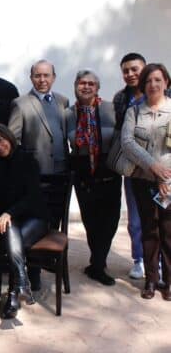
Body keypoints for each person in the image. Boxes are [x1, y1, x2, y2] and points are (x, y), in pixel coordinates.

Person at [8, 59, 69, 290]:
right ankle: (33, 272)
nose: (42, 80)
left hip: (60, 176)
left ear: (53, 77)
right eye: (37, 76)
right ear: (31, 78)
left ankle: (48, 263)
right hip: (35, 179)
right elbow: (13, 142)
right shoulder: (20, 104)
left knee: (53, 223)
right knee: (34, 223)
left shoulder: (63, 101)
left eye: (46, 75)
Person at [0, 123, 48, 318]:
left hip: (35, 217)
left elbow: (32, 197)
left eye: (0, 140)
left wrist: (9, 213)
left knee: (13, 237)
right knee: (12, 235)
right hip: (10, 221)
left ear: (8, 137)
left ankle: (15, 290)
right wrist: (2, 217)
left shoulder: (27, 159)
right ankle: (19, 288)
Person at [67, 69, 121, 285]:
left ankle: (97, 262)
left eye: (91, 83)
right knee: (91, 221)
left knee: (111, 221)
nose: (86, 87)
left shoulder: (111, 109)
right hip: (83, 175)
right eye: (82, 83)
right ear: (75, 86)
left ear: (97, 87)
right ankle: (98, 265)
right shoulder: (68, 114)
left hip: (109, 173)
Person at [122, 63, 171, 300]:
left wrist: (165, 176)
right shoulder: (134, 112)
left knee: (169, 231)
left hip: (170, 183)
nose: (153, 85)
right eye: (149, 81)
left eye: (158, 80)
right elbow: (127, 143)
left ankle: (169, 281)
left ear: (166, 83)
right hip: (143, 181)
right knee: (149, 231)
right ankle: (151, 280)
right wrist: (153, 167)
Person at [113, 53, 148, 280]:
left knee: (162, 217)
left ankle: (162, 261)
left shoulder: (165, 94)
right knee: (135, 216)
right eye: (126, 71)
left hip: (163, 168)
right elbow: (121, 134)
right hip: (134, 167)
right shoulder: (121, 99)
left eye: (134, 69)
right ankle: (140, 259)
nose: (130, 74)